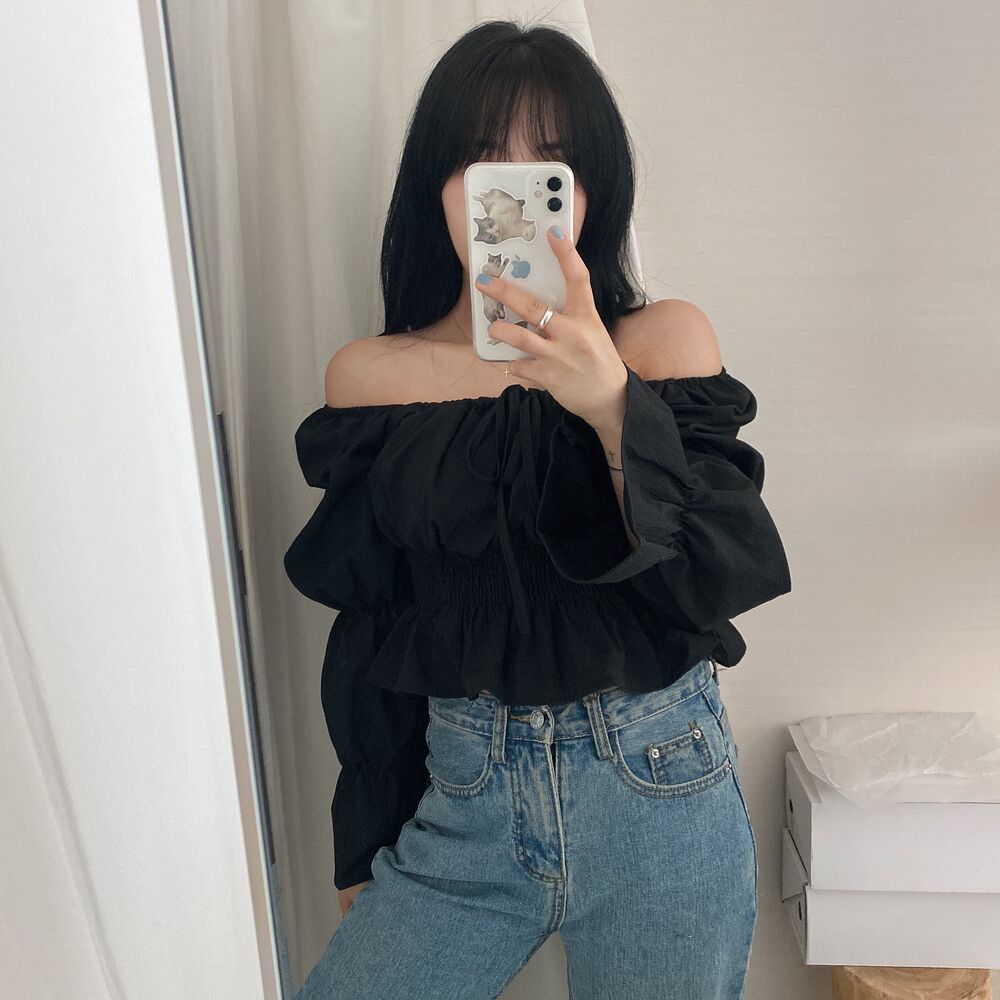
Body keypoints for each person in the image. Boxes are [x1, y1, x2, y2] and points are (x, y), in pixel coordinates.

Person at [283, 18, 791, 1000]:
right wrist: (365, 831)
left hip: (657, 785)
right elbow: (375, 624)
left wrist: (610, 401)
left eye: (548, 164)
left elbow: (710, 574)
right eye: (483, 160)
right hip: (464, 799)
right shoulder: (373, 378)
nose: (513, 191)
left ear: (590, 189)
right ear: (435, 185)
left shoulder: (662, 342)